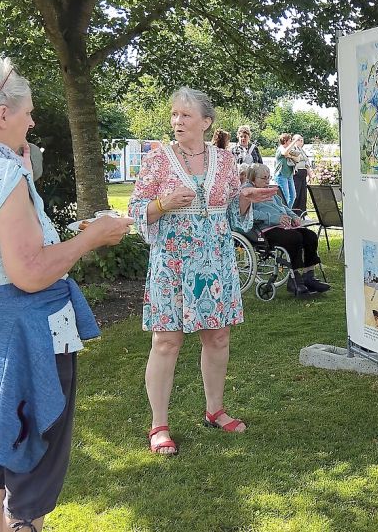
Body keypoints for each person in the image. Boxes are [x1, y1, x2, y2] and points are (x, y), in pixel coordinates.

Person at [0, 56, 132, 532]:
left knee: (2, 443)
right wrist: (91, 239)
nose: (32, 121)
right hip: (27, 339)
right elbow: (30, 273)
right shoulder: (0, 175)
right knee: (34, 461)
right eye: (28, 112)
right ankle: (24, 525)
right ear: (1, 115)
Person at [128, 88, 276, 454]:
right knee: (166, 341)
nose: (177, 121)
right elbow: (135, 209)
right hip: (173, 262)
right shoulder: (158, 160)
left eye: (185, 116)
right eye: (175, 115)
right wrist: (162, 204)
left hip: (215, 260)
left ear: (206, 123)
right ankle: (158, 425)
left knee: (218, 338)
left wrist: (244, 197)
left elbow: (228, 212)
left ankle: (215, 411)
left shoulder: (225, 161)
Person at [246, 163, 330, 296]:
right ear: (253, 180)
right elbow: (251, 215)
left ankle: (309, 276)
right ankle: (295, 279)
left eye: (268, 177)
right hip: (265, 230)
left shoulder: (270, 192)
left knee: (310, 236)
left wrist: (294, 217)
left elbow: (284, 208)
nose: (267, 181)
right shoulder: (249, 194)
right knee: (294, 238)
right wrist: (275, 218)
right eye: (263, 178)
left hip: (284, 225)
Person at [290, 134, 312, 216]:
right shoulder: (292, 148)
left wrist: (310, 174)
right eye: (299, 140)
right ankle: (294, 213)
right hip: (296, 174)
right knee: (296, 194)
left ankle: (302, 213)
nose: (301, 142)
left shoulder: (302, 150)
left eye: (302, 140)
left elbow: (307, 163)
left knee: (303, 195)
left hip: (303, 174)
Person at [274, 133, 297, 207]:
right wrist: (294, 141)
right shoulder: (280, 149)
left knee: (293, 196)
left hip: (289, 175)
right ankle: (283, 214)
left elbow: (298, 158)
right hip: (281, 175)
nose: (291, 143)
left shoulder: (289, 150)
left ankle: (288, 213)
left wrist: (290, 156)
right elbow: (284, 152)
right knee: (285, 197)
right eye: (290, 141)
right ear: (285, 141)